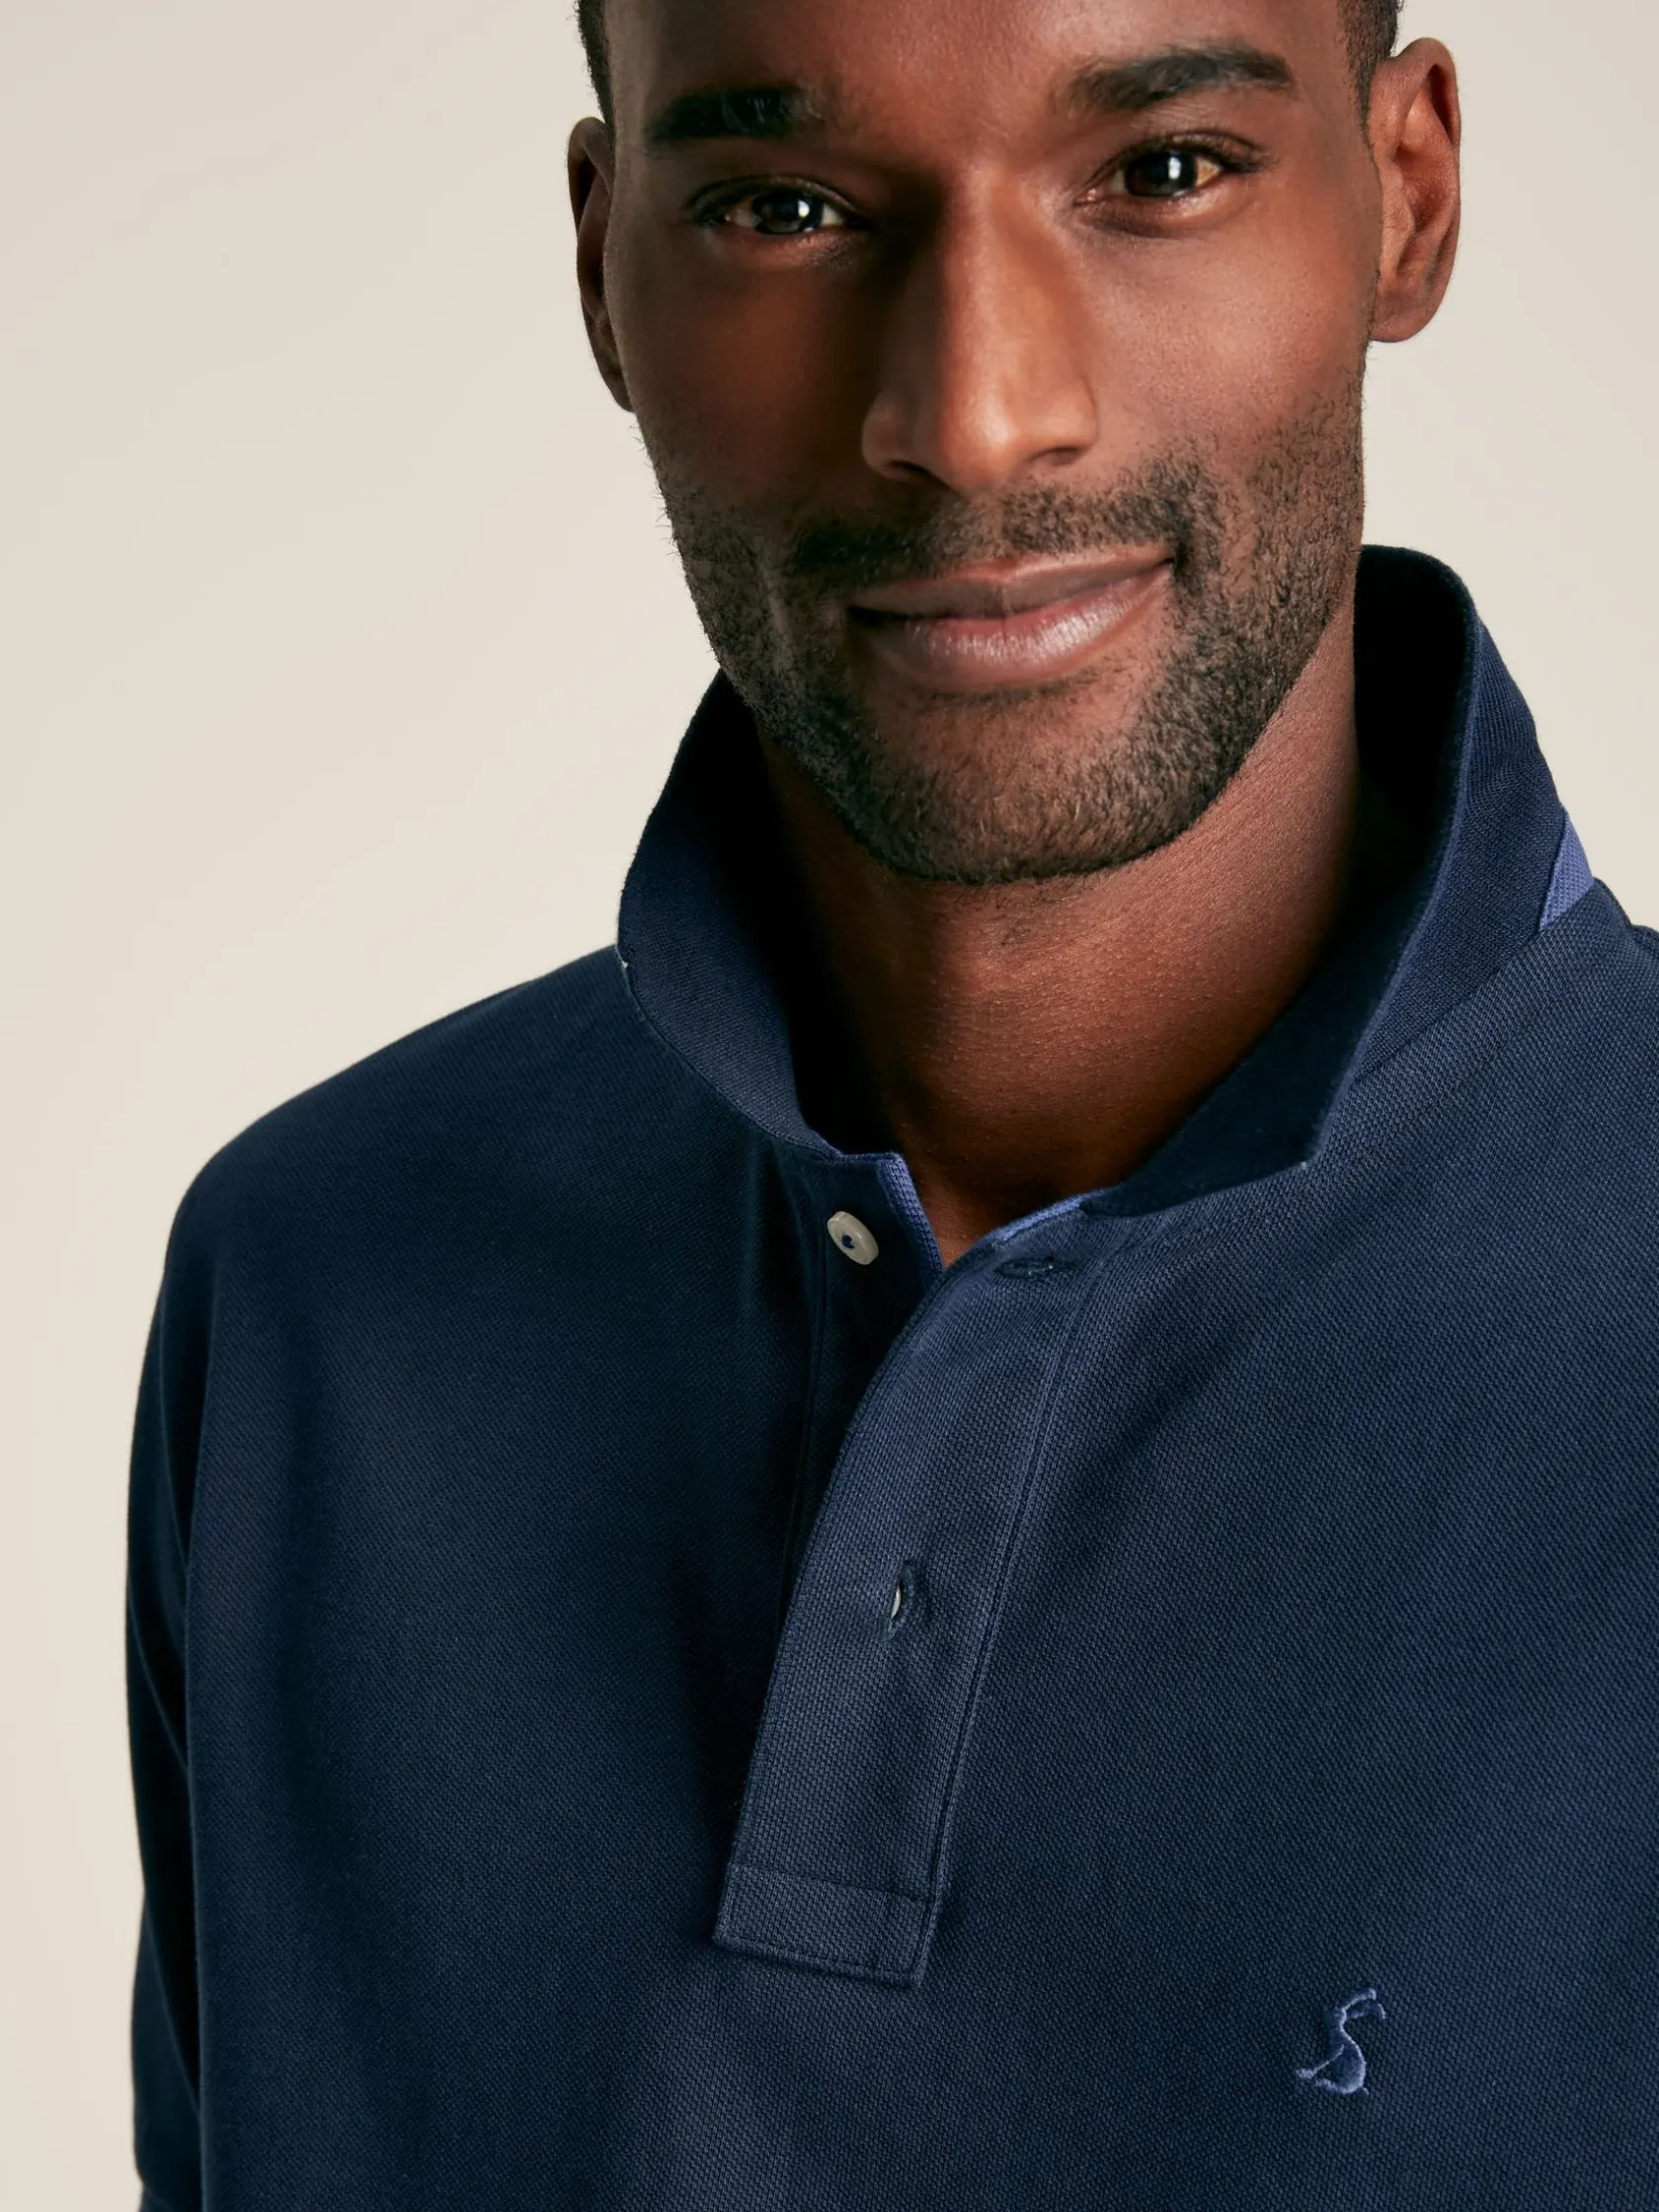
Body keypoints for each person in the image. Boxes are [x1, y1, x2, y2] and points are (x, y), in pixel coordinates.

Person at [125, 0, 1659, 2203]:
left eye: (1162, 174)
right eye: (785, 206)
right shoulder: (316, 1285)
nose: (974, 412)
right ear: (603, 268)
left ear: (1405, 196)